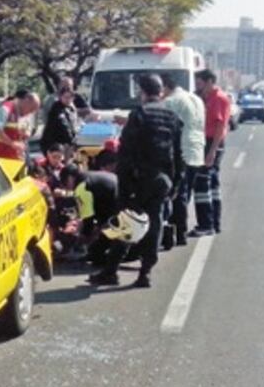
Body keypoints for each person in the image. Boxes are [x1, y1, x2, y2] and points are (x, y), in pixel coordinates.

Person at [88, 74, 183, 288]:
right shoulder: (172, 116)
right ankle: (145, 272)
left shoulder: (139, 115)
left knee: (127, 222)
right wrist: (176, 182)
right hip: (162, 180)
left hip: (138, 180)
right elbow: (178, 153)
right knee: (154, 225)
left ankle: (111, 271)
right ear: (160, 91)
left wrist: (124, 187)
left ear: (143, 92)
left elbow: (126, 153)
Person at [160, 73, 206, 245]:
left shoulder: (171, 102)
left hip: (181, 151)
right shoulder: (196, 99)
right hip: (196, 151)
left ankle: (179, 232)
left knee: (178, 194)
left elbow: (165, 127)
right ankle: (180, 232)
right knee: (186, 194)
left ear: (165, 87)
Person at [190, 69, 231, 236]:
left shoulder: (218, 98)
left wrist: (212, 151)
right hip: (205, 142)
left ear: (209, 82)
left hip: (212, 142)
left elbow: (220, 127)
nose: (197, 87)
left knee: (202, 183)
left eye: (200, 83)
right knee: (212, 184)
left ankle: (206, 224)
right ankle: (214, 223)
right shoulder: (204, 98)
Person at [0, 89, 41, 161]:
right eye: (31, 109)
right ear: (26, 100)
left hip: (14, 158)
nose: (31, 112)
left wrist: (25, 134)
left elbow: (26, 132)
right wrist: (12, 143)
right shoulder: (6, 109)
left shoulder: (24, 115)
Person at [40, 87, 78, 156]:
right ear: (60, 97)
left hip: (65, 143)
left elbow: (73, 125)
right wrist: (71, 140)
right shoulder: (57, 108)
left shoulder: (71, 109)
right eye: (66, 97)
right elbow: (64, 126)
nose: (68, 99)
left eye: (70, 97)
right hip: (53, 144)